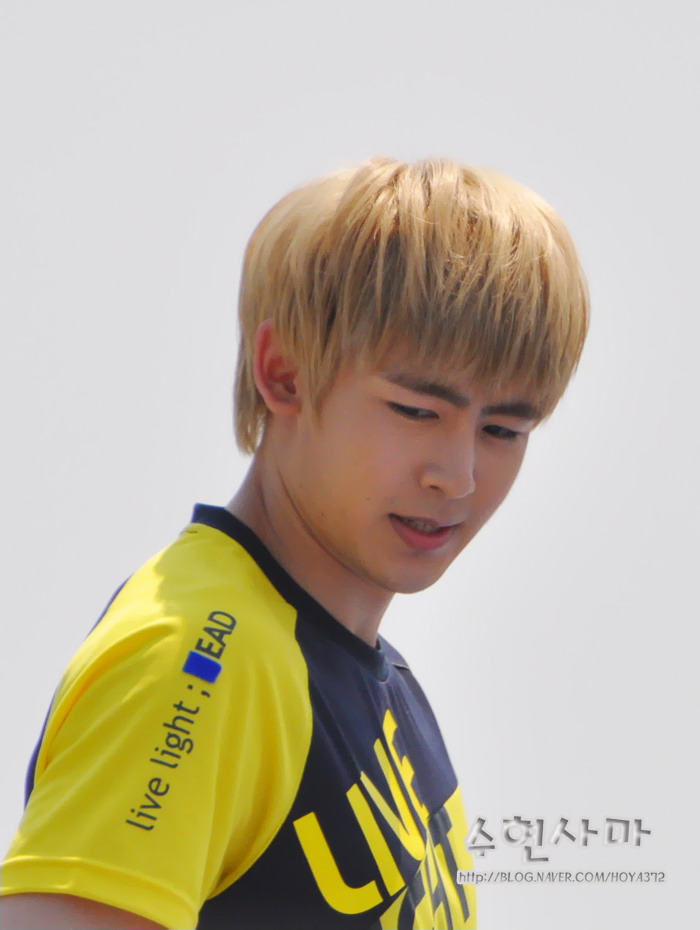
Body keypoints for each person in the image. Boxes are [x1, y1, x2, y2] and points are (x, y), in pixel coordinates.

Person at [0, 156, 589, 929]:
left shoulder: (381, 684)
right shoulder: (203, 655)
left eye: (504, 429)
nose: (459, 476)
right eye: (416, 411)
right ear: (284, 374)